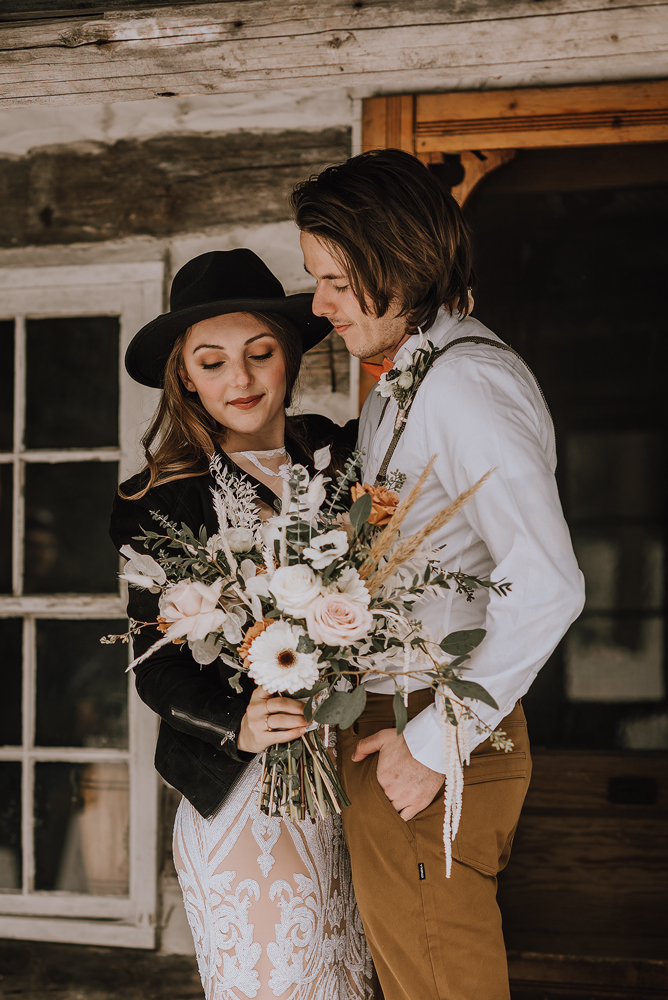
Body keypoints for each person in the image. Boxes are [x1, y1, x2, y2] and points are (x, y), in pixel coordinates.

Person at [291, 149, 586, 1000]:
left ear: (399, 260)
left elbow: (549, 583)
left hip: (430, 733)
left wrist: (432, 742)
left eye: (337, 281)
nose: (320, 305)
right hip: (393, 726)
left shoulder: (465, 386)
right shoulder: (405, 385)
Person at [109, 249, 373, 1000]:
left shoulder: (341, 456)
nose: (243, 379)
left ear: (289, 357)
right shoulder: (155, 498)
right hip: (246, 795)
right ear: (184, 374)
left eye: (261, 354)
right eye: (214, 361)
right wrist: (240, 722)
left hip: (355, 780)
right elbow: (153, 664)